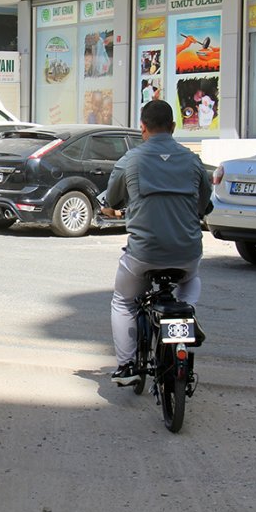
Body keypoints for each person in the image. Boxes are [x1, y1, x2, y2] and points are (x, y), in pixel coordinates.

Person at [103, 100, 212, 384]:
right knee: (190, 279)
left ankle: (126, 366)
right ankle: (186, 314)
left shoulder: (130, 160)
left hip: (143, 255)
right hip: (187, 252)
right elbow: (203, 205)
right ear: (173, 127)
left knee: (123, 301)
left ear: (143, 128)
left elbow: (112, 199)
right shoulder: (192, 160)